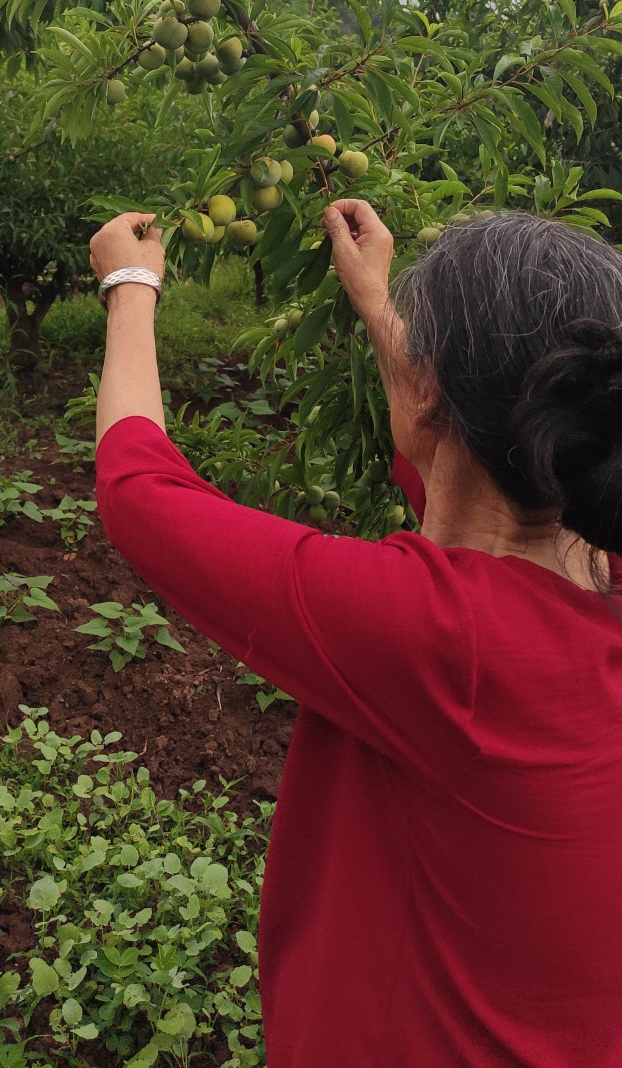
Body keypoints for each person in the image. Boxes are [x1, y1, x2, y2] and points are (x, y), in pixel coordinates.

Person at [90, 199, 622, 1068]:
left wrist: (130, 286)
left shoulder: (441, 642)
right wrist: (382, 311)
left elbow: (141, 496)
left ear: (433, 390)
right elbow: (451, 496)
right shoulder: (592, 579)